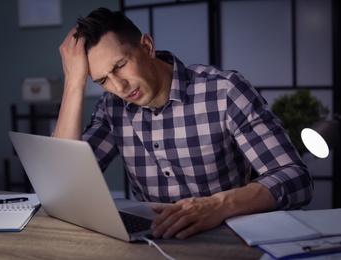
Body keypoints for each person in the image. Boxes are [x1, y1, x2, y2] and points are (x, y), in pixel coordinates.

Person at [54, 7, 313, 239]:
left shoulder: (224, 91)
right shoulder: (113, 106)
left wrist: (218, 204)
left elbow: (295, 178)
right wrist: (73, 83)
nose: (119, 86)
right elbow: (63, 186)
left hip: (226, 237)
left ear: (147, 46)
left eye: (120, 65)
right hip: (154, 242)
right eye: (102, 80)